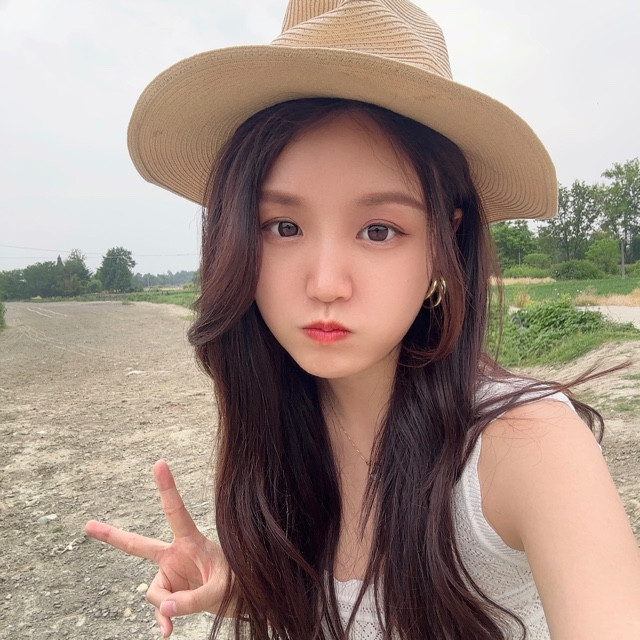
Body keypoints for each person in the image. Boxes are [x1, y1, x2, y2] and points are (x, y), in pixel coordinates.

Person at [85, 1, 640, 638]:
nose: (325, 283)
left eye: (379, 230)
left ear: (442, 242)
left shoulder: (524, 444)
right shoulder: (280, 423)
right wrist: (252, 587)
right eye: (283, 227)